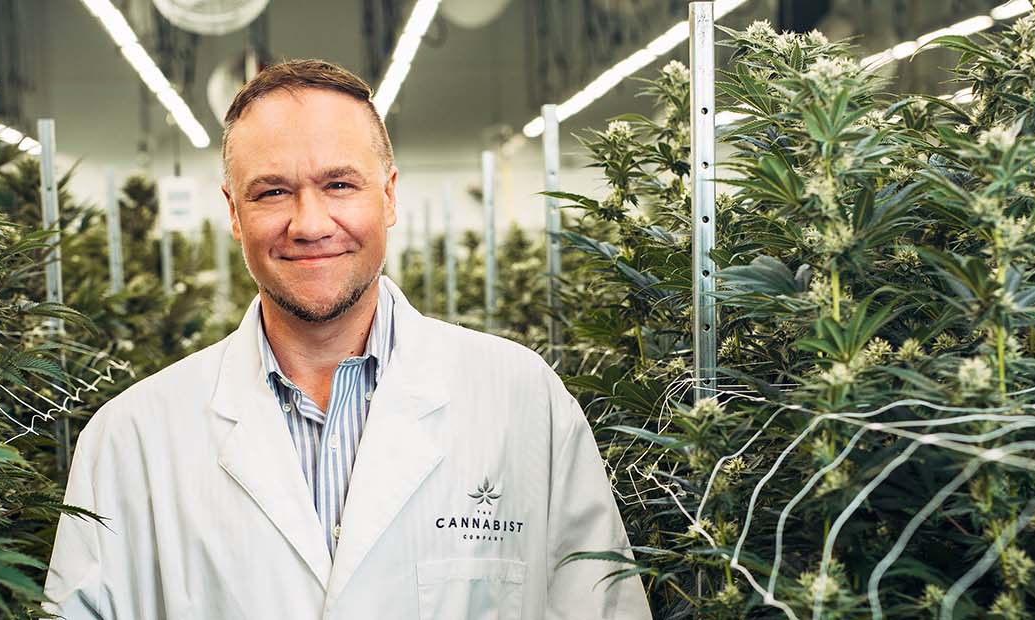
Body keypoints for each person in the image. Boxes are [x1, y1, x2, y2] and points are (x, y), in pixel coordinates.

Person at [45, 59, 650, 620]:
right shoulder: (131, 439)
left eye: (339, 184)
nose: (309, 224)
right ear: (233, 212)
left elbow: (600, 604)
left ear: (388, 195)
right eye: (272, 191)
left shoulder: (523, 402)